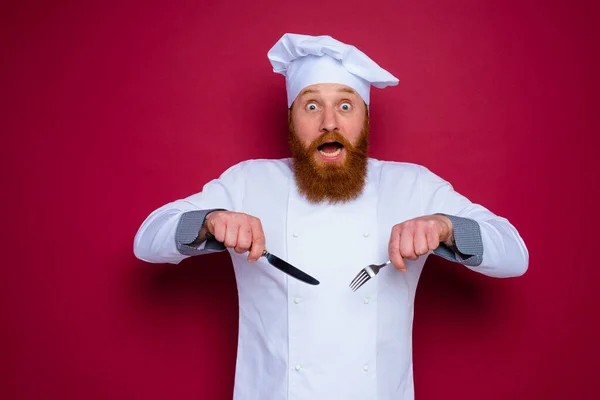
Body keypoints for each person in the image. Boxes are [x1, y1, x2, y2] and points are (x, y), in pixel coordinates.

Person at [134, 33, 528, 400]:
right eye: (311, 105)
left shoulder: (413, 186)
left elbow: (514, 253)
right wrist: (209, 220)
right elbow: (147, 240)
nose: (329, 122)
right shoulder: (247, 181)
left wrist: (446, 227)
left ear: (365, 118)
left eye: (345, 105)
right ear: (292, 119)